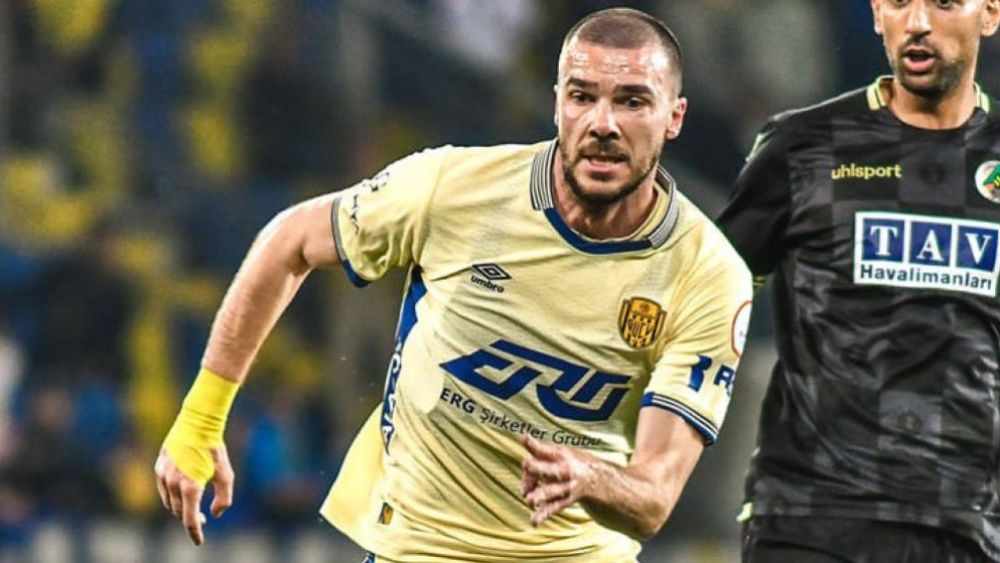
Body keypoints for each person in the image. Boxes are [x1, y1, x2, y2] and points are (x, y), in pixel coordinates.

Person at [155, 8, 752, 562]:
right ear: (557, 104)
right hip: (418, 546)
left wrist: (591, 478)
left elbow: (654, 497)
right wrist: (201, 418)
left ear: (674, 117)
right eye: (582, 96)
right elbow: (289, 240)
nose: (602, 124)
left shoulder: (707, 275)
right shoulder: (454, 187)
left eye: (632, 102)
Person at [717, 0, 1000, 561]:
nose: (917, 22)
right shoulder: (803, 145)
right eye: (898, 2)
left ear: (990, 13)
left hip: (966, 524)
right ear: (875, 14)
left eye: (943, 3)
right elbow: (708, 293)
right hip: (810, 517)